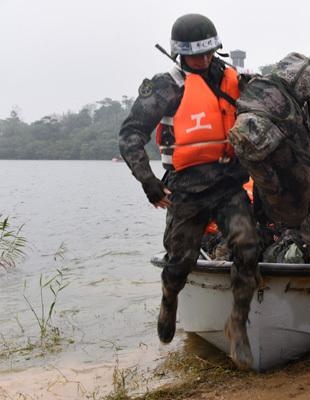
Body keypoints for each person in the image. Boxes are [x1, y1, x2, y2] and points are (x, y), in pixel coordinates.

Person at [118, 13, 260, 369]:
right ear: (179, 54)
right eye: (197, 55)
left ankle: (237, 324)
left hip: (228, 183)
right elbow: (130, 134)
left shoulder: (235, 80)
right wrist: (149, 182)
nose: (205, 60)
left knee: (247, 245)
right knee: (179, 262)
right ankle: (170, 299)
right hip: (186, 189)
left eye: (210, 52)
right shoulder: (166, 87)